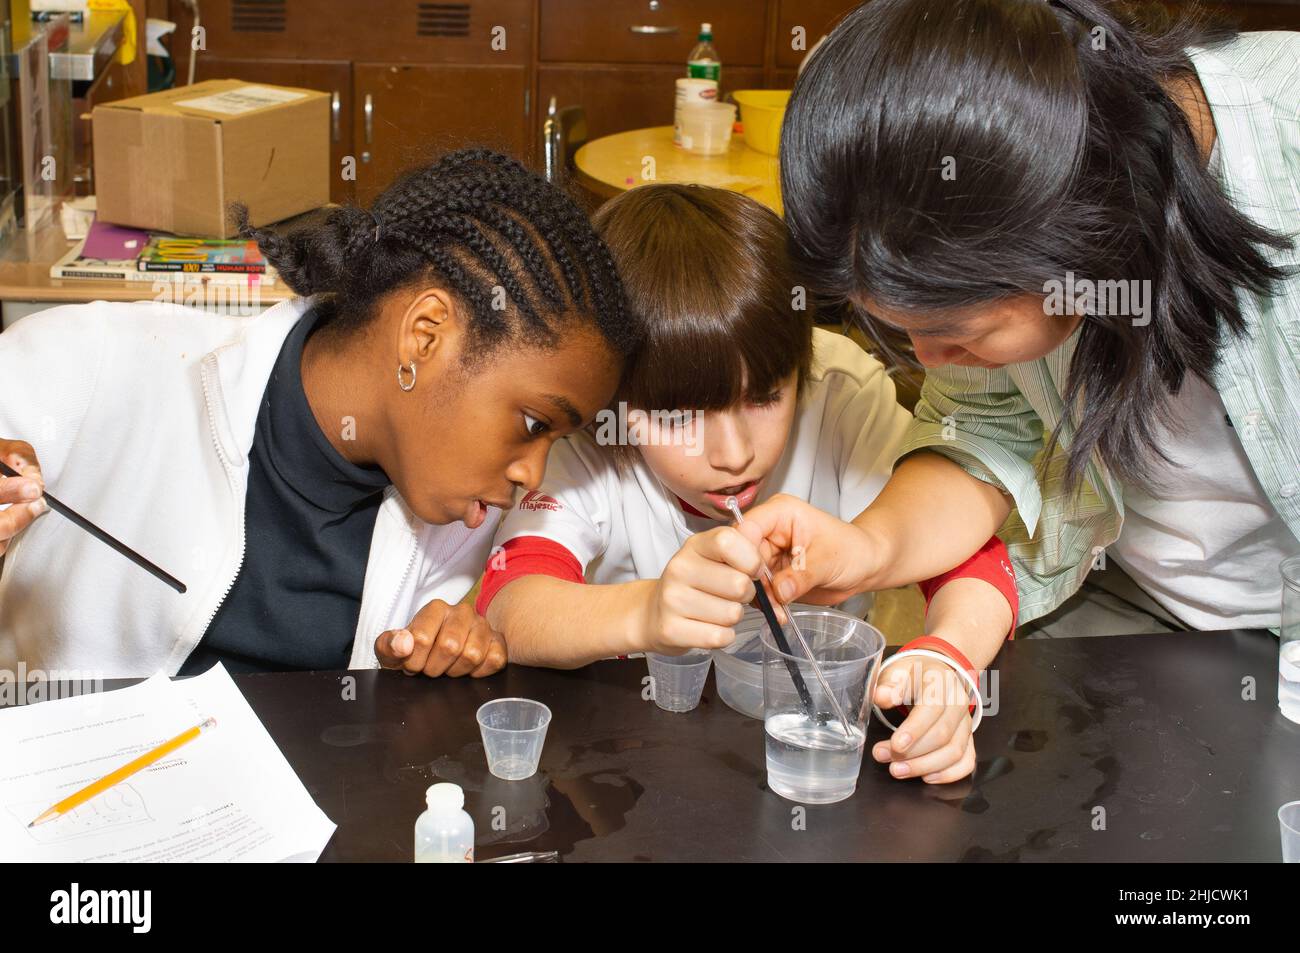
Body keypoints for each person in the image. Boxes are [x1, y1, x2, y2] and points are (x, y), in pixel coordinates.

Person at [748, 0, 1299, 639]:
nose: (928, 360)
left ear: (1075, 235)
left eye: (961, 334)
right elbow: (983, 430)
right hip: (1138, 606)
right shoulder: (1005, 224)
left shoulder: (1282, 148)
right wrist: (868, 548)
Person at [0, 150, 637, 678]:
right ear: (424, 335)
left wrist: (430, 657)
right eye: (533, 425)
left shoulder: (455, 517)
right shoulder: (98, 364)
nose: (533, 472)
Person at [479, 185, 1019, 784]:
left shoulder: (840, 394)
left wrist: (948, 657)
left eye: (765, 397)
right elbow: (508, 605)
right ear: (614, 397)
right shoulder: (589, 436)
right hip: (628, 772)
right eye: (681, 417)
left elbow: (969, 557)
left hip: (811, 758)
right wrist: (647, 610)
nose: (734, 455)